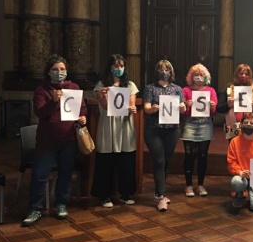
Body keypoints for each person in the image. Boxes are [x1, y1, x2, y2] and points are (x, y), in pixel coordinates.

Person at [22, 55, 87, 226]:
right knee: (40, 175)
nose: (59, 72)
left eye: (62, 69)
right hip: (47, 141)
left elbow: (82, 108)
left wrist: (83, 117)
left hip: (69, 140)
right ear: (49, 71)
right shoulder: (41, 90)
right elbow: (40, 113)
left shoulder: (73, 88)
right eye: (55, 69)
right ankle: (35, 208)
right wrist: (53, 101)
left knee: (65, 174)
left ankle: (61, 204)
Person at [91, 54, 138, 208]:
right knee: (106, 162)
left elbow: (131, 104)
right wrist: (103, 95)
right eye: (116, 66)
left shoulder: (130, 85)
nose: (119, 69)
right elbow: (105, 106)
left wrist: (132, 109)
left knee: (126, 162)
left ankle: (125, 194)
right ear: (110, 67)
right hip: (108, 126)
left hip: (125, 126)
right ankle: (104, 195)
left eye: (121, 66)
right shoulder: (101, 85)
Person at [143, 60, 185, 211]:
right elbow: (146, 108)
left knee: (166, 160)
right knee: (159, 160)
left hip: (172, 130)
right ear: (157, 71)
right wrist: (153, 109)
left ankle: (159, 191)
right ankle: (161, 196)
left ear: (171, 72)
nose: (164, 71)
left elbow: (183, 108)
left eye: (167, 69)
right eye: (161, 69)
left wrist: (182, 107)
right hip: (154, 130)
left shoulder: (177, 89)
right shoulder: (150, 88)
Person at [181, 63, 217, 197]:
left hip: (205, 124)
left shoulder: (211, 91)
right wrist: (186, 105)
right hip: (189, 123)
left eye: (201, 75)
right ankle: (188, 185)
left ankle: (200, 185)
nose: (199, 77)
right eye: (196, 75)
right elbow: (182, 112)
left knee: (203, 155)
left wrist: (212, 107)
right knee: (189, 155)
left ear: (206, 77)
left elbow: (214, 113)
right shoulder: (185, 90)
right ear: (191, 76)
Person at [217, 64, 253, 140]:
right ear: (236, 74)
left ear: (250, 76)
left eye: (246, 74)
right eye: (241, 73)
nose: (244, 76)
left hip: (250, 124)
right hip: (232, 122)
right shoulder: (228, 89)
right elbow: (219, 108)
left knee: (250, 145)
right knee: (234, 144)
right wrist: (227, 105)